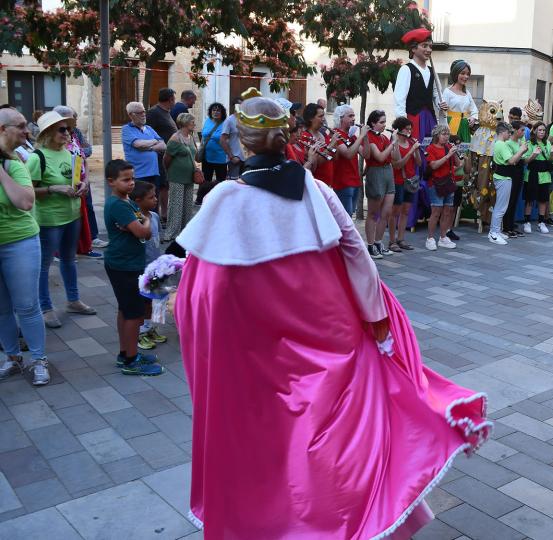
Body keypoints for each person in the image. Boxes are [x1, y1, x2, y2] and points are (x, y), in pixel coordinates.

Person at [174, 90, 488, 539]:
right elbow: (358, 257)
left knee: (272, 443)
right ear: (287, 140)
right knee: (329, 441)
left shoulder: (225, 198)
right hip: (329, 340)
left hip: (260, 353)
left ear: (242, 144)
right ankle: (340, 521)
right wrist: (378, 321)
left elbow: (204, 290)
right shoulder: (317, 191)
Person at [28, 111, 97, 329]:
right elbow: (26, 190)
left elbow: (78, 179)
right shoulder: (37, 157)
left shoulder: (70, 154)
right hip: (49, 220)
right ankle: (46, 308)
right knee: (44, 266)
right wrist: (53, 188)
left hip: (72, 215)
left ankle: (73, 301)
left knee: (69, 259)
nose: (67, 133)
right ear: (48, 132)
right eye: (61, 129)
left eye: (68, 128)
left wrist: (84, 186)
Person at [0, 108, 48, 386]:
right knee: (2, 308)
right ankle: (13, 358)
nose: (27, 131)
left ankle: (39, 360)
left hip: (19, 242)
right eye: (20, 126)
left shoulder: (14, 165)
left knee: (27, 306)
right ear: (3, 129)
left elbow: (26, 202)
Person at [102, 160, 163, 376]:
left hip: (128, 264)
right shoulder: (118, 204)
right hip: (125, 266)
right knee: (133, 315)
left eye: (132, 179)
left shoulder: (126, 202)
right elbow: (143, 232)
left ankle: (126, 353)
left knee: (126, 311)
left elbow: (137, 225)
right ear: (111, 182)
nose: (130, 183)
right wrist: (144, 219)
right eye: (125, 179)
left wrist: (139, 221)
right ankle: (130, 360)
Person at [53, 105, 101, 259]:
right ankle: (61, 250)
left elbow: (83, 156)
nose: (73, 121)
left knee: (84, 213)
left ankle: (84, 247)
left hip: (80, 180)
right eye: (69, 118)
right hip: (65, 184)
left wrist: (86, 180)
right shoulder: (55, 139)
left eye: (72, 118)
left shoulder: (73, 135)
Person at [131, 180, 166, 349]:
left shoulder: (155, 216)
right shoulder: (135, 220)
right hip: (141, 268)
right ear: (138, 200)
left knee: (153, 301)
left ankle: (148, 328)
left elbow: (157, 239)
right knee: (141, 302)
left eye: (155, 196)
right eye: (151, 197)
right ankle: (139, 333)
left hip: (154, 268)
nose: (156, 200)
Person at [394, 27, 446, 142]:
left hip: (430, 119)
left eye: (430, 46)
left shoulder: (432, 71)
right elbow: (399, 99)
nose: (429, 49)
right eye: (424, 46)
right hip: (413, 120)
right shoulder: (406, 69)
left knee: (431, 152)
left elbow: (436, 93)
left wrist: (440, 103)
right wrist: (403, 124)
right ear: (413, 48)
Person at [362, 110, 396, 259]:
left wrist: (395, 143)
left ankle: (378, 242)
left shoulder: (383, 137)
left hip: (388, 171)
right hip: (376, 172)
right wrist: (393, 142)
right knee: (373, 213)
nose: (384, 125)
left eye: (384, 122)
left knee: (386, 212)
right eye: (381, 122)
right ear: (373, 123)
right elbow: (380, 157)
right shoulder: (369, 137)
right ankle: (370, 245)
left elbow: (393, 157)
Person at [162, 112, 199, 242]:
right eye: (192, 122)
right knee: (176, 206)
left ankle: (185, 232)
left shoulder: (191, 136)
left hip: (189, 177)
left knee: (187, 206)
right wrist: (170, 173)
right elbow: (166, 159)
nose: (194, 124)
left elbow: (195, 155)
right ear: (184, 123)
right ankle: (171, 233)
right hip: (177, 177)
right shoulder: (175, 138)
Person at [121, 101, 166, 206]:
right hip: (138, 175)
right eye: (140, 112)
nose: (143, 114)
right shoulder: (126, 129)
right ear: (131, 115)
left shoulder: (149, 129)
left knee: (153, 204)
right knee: (139, 206)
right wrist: (155, 142)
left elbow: (163, 145)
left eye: (144, 111)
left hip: (154, 173)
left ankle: (152, 222)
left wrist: (149, 148)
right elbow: (138, 144)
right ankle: (140, 223)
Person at [424, 124, 460, 250]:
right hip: (436, 184)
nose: (446, 137)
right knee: (436, 212)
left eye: (447, 134)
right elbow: (433, 166)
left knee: (447, 211)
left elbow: (458, 164)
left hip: (449, 182)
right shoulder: (430, 148)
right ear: (436, 135)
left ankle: (443, 237)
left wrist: (454, 152)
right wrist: (448, 155)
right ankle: (430, 238)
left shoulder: (449, 147)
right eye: (443, 134)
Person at [388, 117, 420, 252]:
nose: (409, 131)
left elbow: (419, 163)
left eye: (410, 128)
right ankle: (392, 241)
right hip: (398, 180)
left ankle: (401, 239)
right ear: (400, 130)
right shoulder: (394, 143)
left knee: (406, 211)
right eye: (407, 129)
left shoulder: (411, 142)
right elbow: (397, 164)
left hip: (411, 181)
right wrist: (411, 151)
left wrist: (416, 150)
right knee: (395, 212)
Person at [490, 122, 524, 244]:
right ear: (503, 132)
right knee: (500, 207)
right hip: (503, 178)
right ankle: (493, 233)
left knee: (502, 207)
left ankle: (497, 231)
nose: (510, 134)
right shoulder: (502, 145)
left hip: (503, 177)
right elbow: (511, 161)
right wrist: (521, 151)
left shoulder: (499, 144)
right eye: (509, 132)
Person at [146, 88, 178, 221]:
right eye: (174, 99)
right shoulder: (154, 112)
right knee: (161, 186)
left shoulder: (166, 112)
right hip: (159, 157)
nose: (174, 102)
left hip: (167, 156)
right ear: (170, 99)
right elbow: (148, 133)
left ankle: (164, 214)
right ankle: (159, 215)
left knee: (165, 185)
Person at [331, 105, 368, 215]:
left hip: (355, 181)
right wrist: (361, 136)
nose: (353, 119)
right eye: (350, 116)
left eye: (354, 116)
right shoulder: (335, 134)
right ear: (341, 118)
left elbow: (366, 154)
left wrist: (365, 137)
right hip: (343, 183)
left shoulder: (352, 136)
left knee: (349, 216)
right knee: (345, 218)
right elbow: (348, 154)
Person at [522, 121, 553, 234]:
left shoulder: (547, 143)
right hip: (532, 174)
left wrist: (552, 154)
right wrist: (534, 154)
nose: (542, 132)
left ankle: (541, 222)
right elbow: (525, 161)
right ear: (534, 131)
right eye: (539, 130)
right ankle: (527, 221)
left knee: (543, 199)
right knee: (530, 199)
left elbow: (550, 160)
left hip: (545, 174)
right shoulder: (529, 143)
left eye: (544, 130)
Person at [197, 102, 227, 205]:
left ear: (222, 112)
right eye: (214, 110)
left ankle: (220, 200)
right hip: (207, 156)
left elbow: (227, 140)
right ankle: (201, 199)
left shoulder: (225, 123)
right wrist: (200, 149)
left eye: (218, 110)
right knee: (205, 180)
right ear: (210, 112)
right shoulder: (207, 121)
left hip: (220, 157)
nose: (216, 112)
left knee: (221, 181)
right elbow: (203, 137)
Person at [442, 59, 478, 145]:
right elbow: (442, 113)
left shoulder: (467, 93)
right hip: (451, 126)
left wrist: (473, 118)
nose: (466, 76)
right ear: (455, 73)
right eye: (463, 73)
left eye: (468, 74)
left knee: (465, 152)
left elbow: (474, 110)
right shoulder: (447, 91)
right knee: (452, 150)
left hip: (465, 127)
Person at [502, 120, 527, 238]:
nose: (523, 132)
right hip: (512, 173)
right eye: (522, 130)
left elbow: (523, 158)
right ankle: (506, 227)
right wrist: (522, 151)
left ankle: (511, 225)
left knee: (515, 200)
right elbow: (512, 160)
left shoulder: (519, 142)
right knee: (510, 200)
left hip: (520, 172)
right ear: (516, 131)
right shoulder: (508, 143)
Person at [300, 103, 334, 185]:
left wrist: (334, 141)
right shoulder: (305, 136)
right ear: (311, 118)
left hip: (328, 183)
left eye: (323, 116)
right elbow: (317, 162)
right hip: (317, 183)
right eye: (320, 116)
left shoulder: (324, 134)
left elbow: (334, 157)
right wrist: (331, 144)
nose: (323, 119)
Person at [220, 97, 245, 180]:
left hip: (246, 159)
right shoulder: (229, 121)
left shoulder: (246, 120)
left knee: (245, 185)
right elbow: (223, 140)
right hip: (235, 159)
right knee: (234, 184)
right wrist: (231, 157)